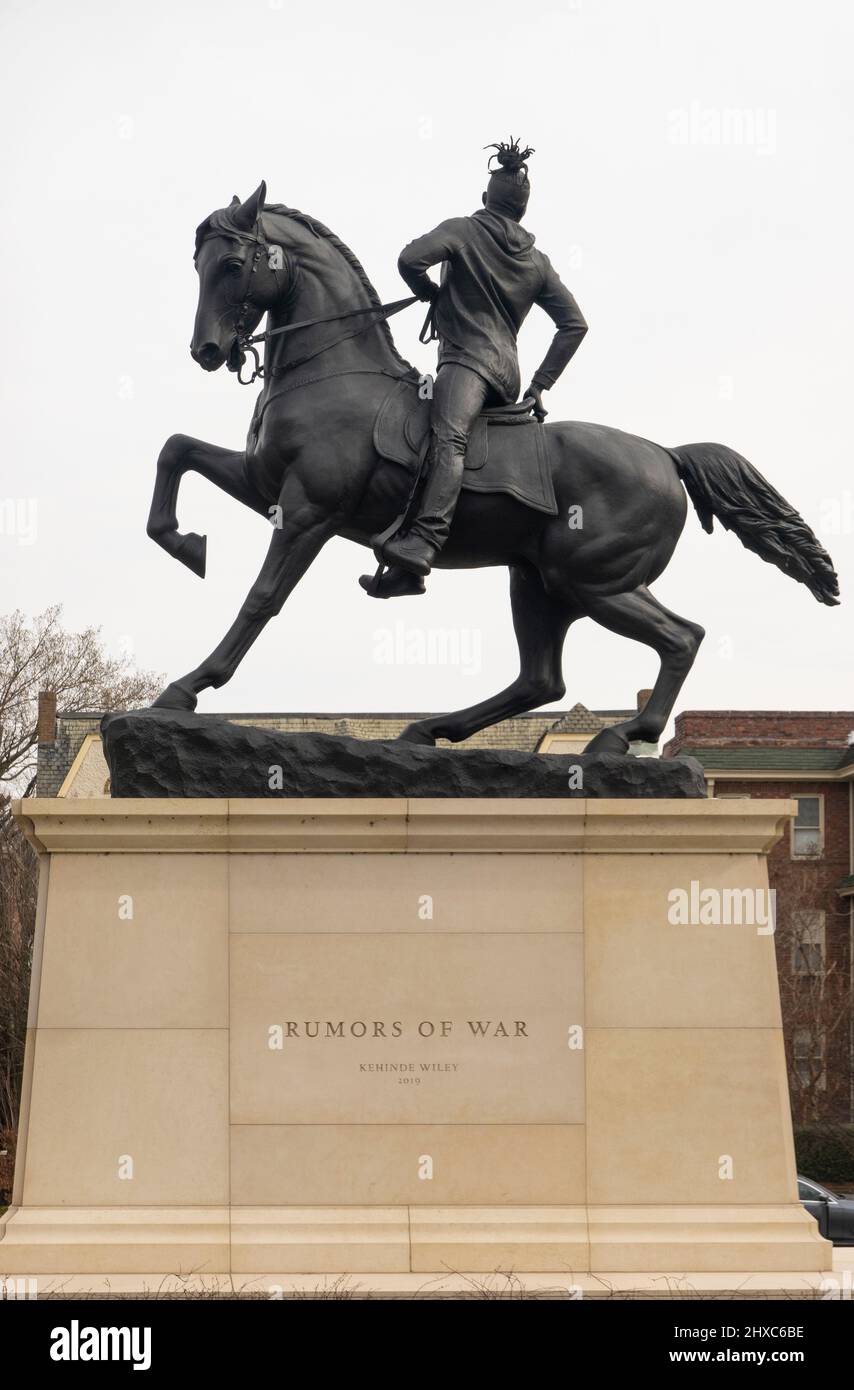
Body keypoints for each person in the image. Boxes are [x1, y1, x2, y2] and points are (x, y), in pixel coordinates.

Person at [363, 138, 588, 599]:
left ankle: (422, 546)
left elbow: (409, 259)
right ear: (522, 211)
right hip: (508, 377)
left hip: (468, 363)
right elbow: (573, 325)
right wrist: (541, 385)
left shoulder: (463, 230)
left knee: (449, 437)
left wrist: (428, 290)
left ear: (486, 199)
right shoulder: (537, 262)